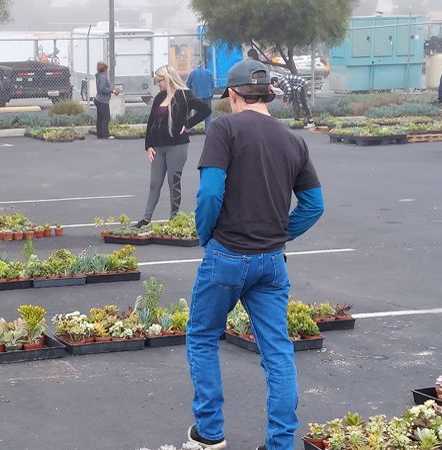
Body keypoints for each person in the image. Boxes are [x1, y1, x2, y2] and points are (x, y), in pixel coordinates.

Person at [186, 59, 324, 450]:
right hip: (272, 262)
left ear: (233, 94)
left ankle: (210, 434)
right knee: (277, 352)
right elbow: (314, 204)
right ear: (267, 94)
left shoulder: (225, 129)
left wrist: (206, 235)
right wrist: (280, 233)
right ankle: (280, 444)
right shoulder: (293, 140)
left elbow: (211, 192)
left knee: (201, 337)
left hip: (227, 255)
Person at [136, 65, 211, 228]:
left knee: (173, 182)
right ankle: (146, 218)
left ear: (168, 78)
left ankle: (174, 218)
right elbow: (151, 122)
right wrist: (148, 145)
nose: (158, 84)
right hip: (158, 147)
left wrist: (188, 124)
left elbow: (205, 109)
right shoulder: (159, 97)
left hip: (177, 146)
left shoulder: (184, 95)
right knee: (154, 183)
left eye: (159, 80)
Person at [186, 62, 215, 131]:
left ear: (196, 66)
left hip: (196, 95)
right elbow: (213, 83)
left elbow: (188, 84)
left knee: (197, 112)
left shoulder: (193, 73)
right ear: (203, 65)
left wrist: (191, 91)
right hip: (207, 94)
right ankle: (207, 129)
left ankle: (194, 128)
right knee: (207, 111)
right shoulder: (208, 72)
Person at [94, 62, 117, 139]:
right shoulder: (103, 77)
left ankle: (99, 134)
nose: (108, 71)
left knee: (100, 118)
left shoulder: (99, 76)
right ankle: (105, 134)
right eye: (107, 69)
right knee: (106, 118)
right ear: (104, 70)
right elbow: (102, 88)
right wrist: (112, 91)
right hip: (102, 101)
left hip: (98, 99)